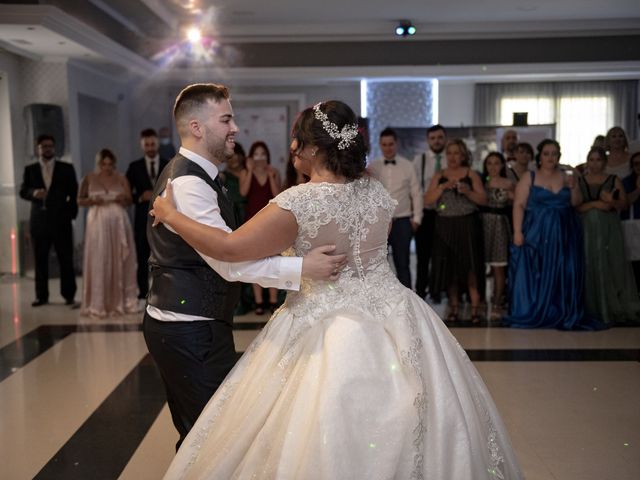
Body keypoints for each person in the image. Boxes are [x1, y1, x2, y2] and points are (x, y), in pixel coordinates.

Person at [151, 100, 524, 480]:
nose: (292, 148)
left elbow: (228, 249)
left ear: (313, 149)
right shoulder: (375, 191)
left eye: (297, 140)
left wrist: (171, 216)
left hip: (324, 321)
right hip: (397, 313)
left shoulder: (298, 203)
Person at [142, 84, 345, 451]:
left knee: (200, 435)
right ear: (197, 127)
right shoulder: (188, 183)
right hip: (187, 326)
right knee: (213, 438)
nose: (235, 127)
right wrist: (303, 268)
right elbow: (229, 263)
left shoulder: (199, 174)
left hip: (193, 322)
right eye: (226, 119)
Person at [506, 139, 602, 330]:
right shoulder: (529, 176)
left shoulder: (568, 175)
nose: (550, 157)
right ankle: (539, 310)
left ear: (559, 156)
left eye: (554, 153)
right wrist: (517, 232)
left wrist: (574, 186)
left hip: (565, 231)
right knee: (538, 270)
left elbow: (576, 203)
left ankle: (562, 311)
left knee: (564, 270)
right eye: (546, 153)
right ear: (540, 156)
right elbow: (519, 204)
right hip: (537, 231)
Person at [424, 139, 487, 323]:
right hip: (445, 225)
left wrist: (468, 191)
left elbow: (483, 200)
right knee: (449, 268)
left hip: (467, 225)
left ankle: (475, 309)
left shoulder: (471, 174)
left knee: (470, 267)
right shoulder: (440, 175)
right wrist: (442, 187)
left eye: (456, 153)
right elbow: (428, 199)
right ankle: (454, 307)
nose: (452, 156)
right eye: (449, 153)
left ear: (463, 155)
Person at [577, 147, 640, 325]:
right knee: (589, 264)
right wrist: (597, 204)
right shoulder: (581, 180)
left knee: (612, 264)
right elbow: (577, 207)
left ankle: (612, 306)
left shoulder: (613, 179)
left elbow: (625, 204)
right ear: (587, 161)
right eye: (592, 159)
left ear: (604, 162)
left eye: (598, 160)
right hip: (587, 228)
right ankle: (592, 307)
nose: (595, 163)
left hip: (609, 228)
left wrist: (612, 201)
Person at [77, 149, 139, 317]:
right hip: (97, 222)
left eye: (110, 164)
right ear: (99, 164)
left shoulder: (121, 178)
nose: (107, 167)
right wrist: (91, 201)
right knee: (99, 259)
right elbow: (79, 200)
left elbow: (129, 200)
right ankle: (98, 302)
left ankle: (122, 300)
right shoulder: (89, 178)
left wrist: (122, 199)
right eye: (104, 164)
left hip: (118, 221)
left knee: (120, 258)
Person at [19, 134, 78, 307]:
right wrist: (33, 193)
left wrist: (70, 215)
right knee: (40, 260)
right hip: (39, 221)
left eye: (50, 146)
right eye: (44, 146)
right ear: (38, 148)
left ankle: (69, 295)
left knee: (65, 259)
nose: (47, 149)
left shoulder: (66, 168)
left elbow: (74, 193)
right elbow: (23, 191)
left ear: (54, 147)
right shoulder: (30, 169)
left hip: (61, 221)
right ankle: (41, 296)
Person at [369, 127, 423, 289]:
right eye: (384, 144)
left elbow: (417, 193)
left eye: (391, 144)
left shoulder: (408, 165)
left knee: (403, 264)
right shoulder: (373, 167)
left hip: (402, 222)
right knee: (378, 265)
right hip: (379, 223)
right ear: (380, 145)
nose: (388, 148)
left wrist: (417, 219)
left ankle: (408, 303)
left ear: (397, 144)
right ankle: (381, 302)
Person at [126, 128, 169, 300]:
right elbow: (127, 193)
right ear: (142, 146)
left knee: (164, 256)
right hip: (141, 218)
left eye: (153, 143)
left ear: (157, 143)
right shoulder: (134, 167)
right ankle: (142, 293)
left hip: (165, 218)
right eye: (147, 144)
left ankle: (164, 291)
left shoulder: (168, 164)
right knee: (142, 255)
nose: (150, 147)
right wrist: (139, 197)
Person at [239, 141, 282, 314]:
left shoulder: (274, 172)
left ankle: (272, 300)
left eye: (262, 154)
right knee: (255, 260)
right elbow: (243, 192)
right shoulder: (245, 172)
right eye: (256, 154)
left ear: (267, 156)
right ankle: (259, 302)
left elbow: (278, 195)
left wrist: (271, 177)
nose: (259, 157)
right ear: (251, 156)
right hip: (252, 220)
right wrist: (249, 171)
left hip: (271, 221)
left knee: (273, 259)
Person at [413, 124, 447, 300]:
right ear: (428, 140)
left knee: (442, 256)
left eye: (440, 137)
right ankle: (420, 291)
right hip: (427, 214)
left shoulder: (451, 159)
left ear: (445, 138)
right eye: (433, 138)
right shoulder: (420, 160)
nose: (437, 141)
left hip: (447, 215)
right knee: (423, 256)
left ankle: (439, 291)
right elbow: (416, 188)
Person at [480, 152, 515, 318]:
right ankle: (479, 300)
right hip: (482, 224)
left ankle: (497, 302)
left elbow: (517, 203)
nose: (493, 167)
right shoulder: (481, 182)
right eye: (489, 163)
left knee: (498, 267)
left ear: (502, 165)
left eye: (496, 163)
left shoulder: (509, 183)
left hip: (500, 225)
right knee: (480, 266)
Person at [621, 151, 640, 293]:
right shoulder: (626, 181)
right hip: (632, 224)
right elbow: (625, 203)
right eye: (636, 164)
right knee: (634, 263)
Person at [219, 142, 247, 224]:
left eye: (236, 155)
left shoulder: (250, 174)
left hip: (250, 212)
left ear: (242, 156)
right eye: (230, 157)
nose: (234, 159)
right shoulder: (223, 176)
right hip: (232, 214)